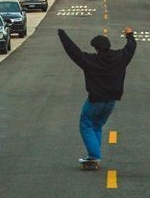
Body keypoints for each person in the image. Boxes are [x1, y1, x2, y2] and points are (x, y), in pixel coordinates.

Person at [57, 27, 137, 166]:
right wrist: (129, 35)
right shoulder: (119, 58)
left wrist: (63, 35)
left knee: (86, 124)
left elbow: (73, 52)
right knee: (97, 125)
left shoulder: (91, 60)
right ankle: (94, 155)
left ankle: (94, 155)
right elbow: (131, 48)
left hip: (95, 101)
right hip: (111, 101)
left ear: (96, 48)